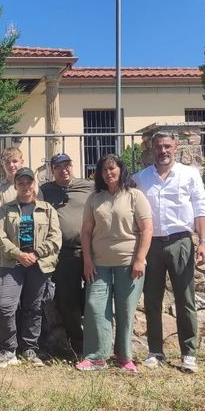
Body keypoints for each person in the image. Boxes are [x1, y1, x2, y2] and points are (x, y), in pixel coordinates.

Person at [133, 132, 205, 373]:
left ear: (175, 147)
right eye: (158, 147)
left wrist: (203, 242)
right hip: (151, 244)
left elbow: (200, 209)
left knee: (185, 299)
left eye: (167, 146)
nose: (163, 151)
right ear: (151, 149)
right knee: (152, 300)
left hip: (181, 241)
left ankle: (189, 354)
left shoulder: (189, 174)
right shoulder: (140, 178)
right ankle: (155, 352)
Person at [77, 155, 152, 372]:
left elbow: (147, 229)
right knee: (95, 306)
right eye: (104, 170)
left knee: (125, 311)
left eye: (112, 168)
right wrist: (87, 260)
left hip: (129, 263)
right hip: (98, 264)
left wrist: (140, 259)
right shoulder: (94, 199)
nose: (108, 173)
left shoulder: (134, 196)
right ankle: (96, 357)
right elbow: (86, 232)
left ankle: (124, 357)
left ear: (121, 169)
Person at [0, 167, 62, 368]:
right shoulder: (6, 210)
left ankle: (30, 349)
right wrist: (19, 254)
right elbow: (0, 238)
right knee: (5, 306)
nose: (25, 186)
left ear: (34, 184)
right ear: (15, 186)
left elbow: (55, 238)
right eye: (20, 183)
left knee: (34, 307)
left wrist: (36, 254)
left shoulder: (47, 209)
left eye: (29, 182)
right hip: (12, 264)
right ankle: (8, 350)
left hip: (39, 265)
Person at [40, 153, 94, 357]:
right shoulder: (45, 190)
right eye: (59, 167)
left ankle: (97, 342)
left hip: (91, 251)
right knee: (66, 300)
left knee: (94, 296)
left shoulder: (89, 186)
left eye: (67, 165)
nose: (64, 170)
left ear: (72, 166)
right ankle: (78, 345)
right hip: (64, 254)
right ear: (52, 170)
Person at [0, 146, 42, 218]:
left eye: (15, 161)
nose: (11, 165)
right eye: (7, 162)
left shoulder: (33, 185)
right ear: (2, 164)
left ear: (22, 162)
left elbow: (41, 212)